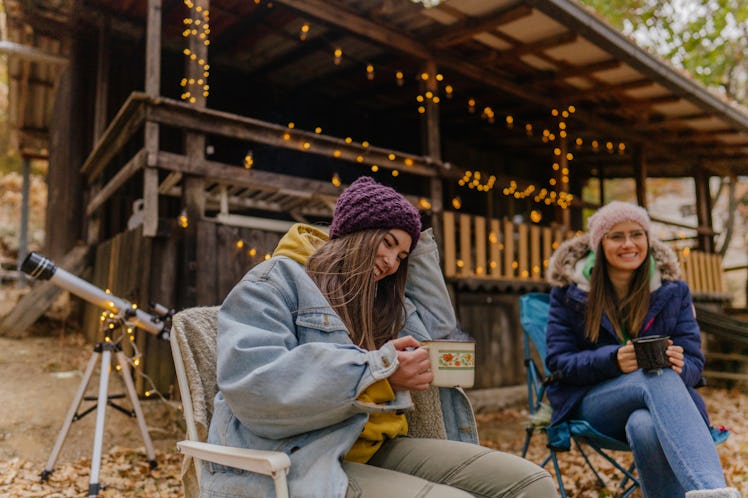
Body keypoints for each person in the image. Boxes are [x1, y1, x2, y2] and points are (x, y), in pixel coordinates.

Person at [203, 176, 558, 498]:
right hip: (302, 455)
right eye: (386, 243)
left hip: (377, 446)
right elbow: (255, 386)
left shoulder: (381, 301)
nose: (390, 262)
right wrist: (376, 371)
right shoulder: (276, 281)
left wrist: (417, 249)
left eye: (402, 256)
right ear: (355, 232)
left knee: (533, 485)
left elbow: (443, 330)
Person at [545, 200, 738, 498]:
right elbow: (559, 363)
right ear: (599, 244)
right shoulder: (569, 294)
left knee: (644, 424)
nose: (629, 244)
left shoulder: (673, 291)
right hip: (593, 404)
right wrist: (612, 361)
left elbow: (694, 363)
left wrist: (680, 364)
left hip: (659, 406)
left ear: (648, 239)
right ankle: (713, 492)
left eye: (637, 234)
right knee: (654, 375)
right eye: (616, 236)